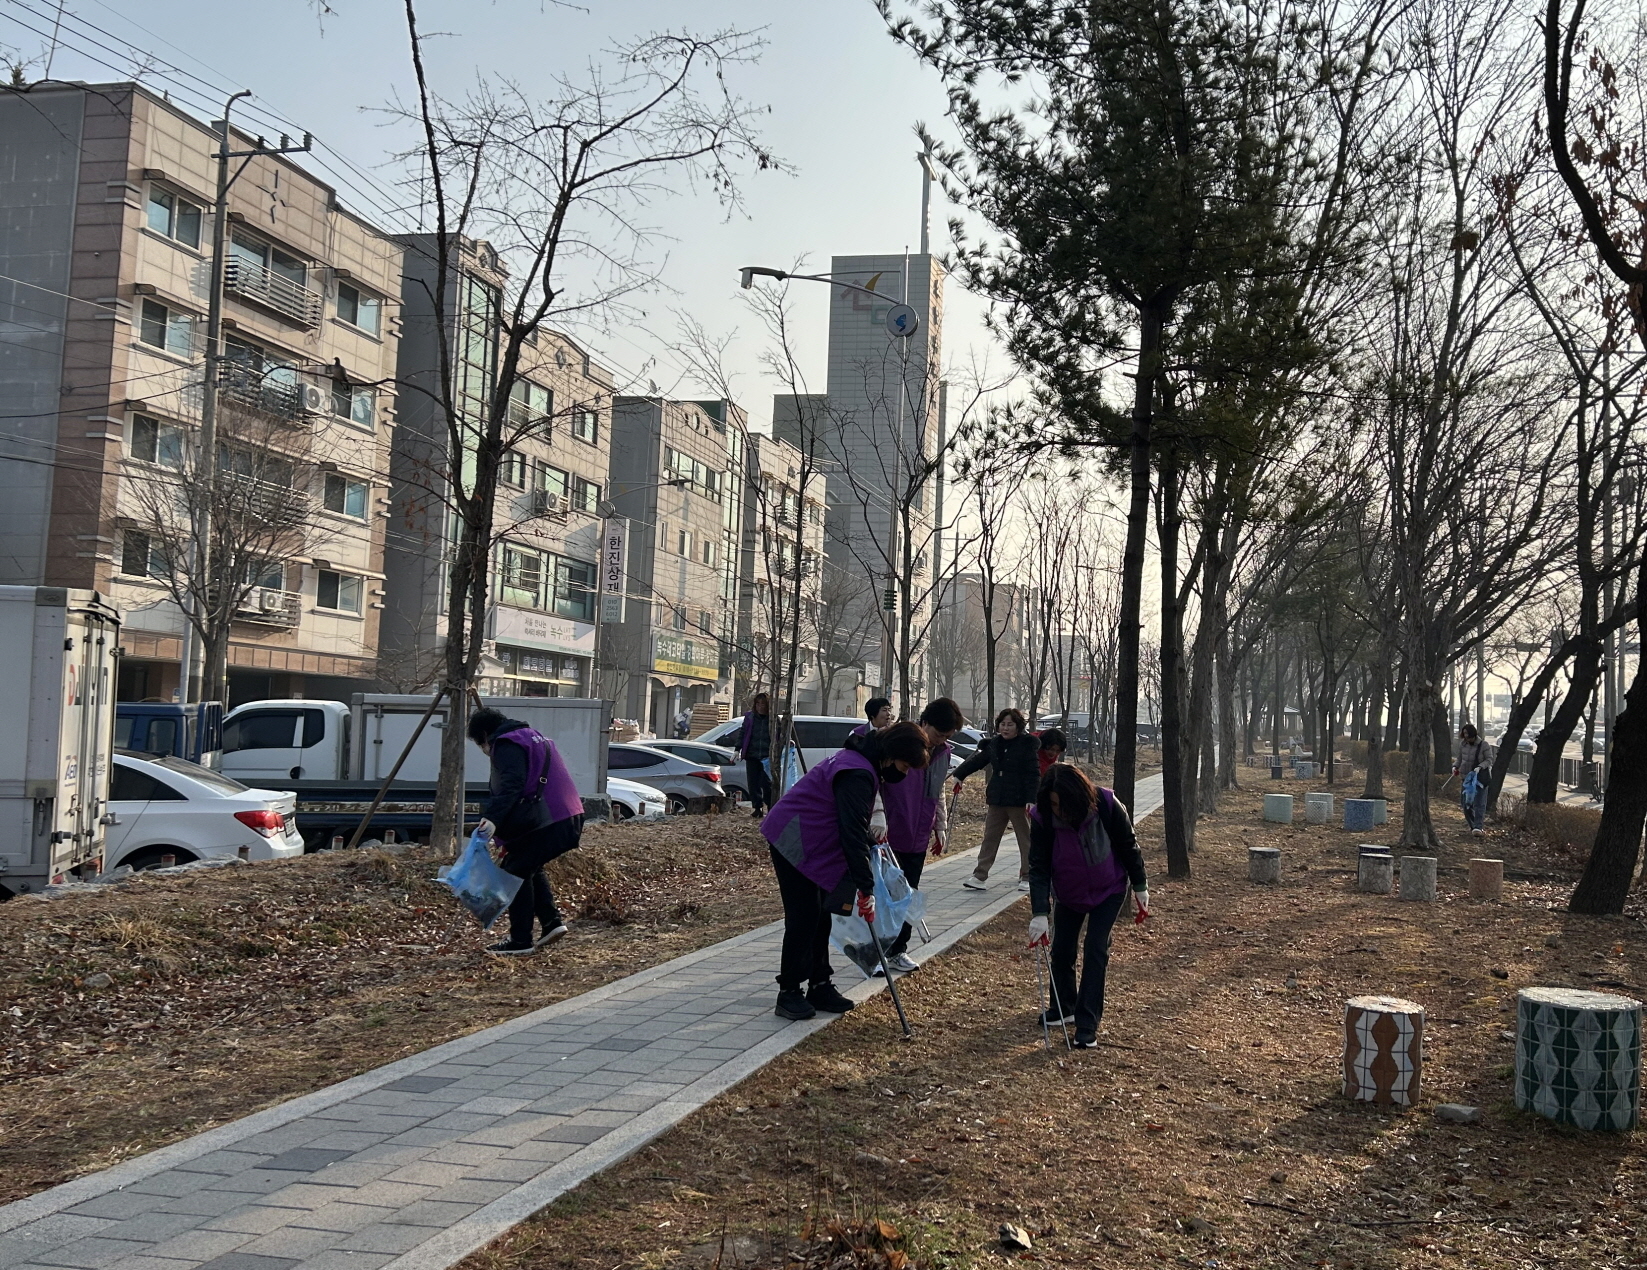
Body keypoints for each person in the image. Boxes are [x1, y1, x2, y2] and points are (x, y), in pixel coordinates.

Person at [762, 721, 932, 1020]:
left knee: (821, 916)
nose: (903, 774)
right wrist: (865, 889)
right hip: (794, 839)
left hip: (814, 840)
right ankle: (789, 992)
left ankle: (820, 984)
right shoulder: (857, 771)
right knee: (804, 918)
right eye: (905, 766)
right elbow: (850, 831)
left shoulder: (863, 763)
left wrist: (869, 844)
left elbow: (850, 822)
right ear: (892, 755)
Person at [841, 698, 965, 978]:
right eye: (939, 734)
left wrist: (940, 826)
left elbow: (938, 790)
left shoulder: (942, 752)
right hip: (889, 831)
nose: (941, 741)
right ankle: (872, 951)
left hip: (918, 832)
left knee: (908, 893)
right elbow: (874, 778)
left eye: (947, 737)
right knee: (883, 896)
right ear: (925, 723)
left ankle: (897, 950)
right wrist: (878, 814)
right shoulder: (900, 741)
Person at [1027, 764, 1148, 1047]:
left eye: (1063, 804)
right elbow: (1039, 866)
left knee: (1095, 948)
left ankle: (1087, 1023)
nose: (1059, 810)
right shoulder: (1043, 817)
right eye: (1054, 803)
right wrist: (1039, 912)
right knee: (1062, 949)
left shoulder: (1105, 804)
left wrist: (1140, 886)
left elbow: (1128, 844)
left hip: (1109, 890)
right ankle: (1064, 1007)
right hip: (1069, 892)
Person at [467, 707, 585, 956]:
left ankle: (520, 941)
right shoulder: (533, 737)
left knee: (515, 870)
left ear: (486, 735)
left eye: (481, 744)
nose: (485, 750)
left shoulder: (506, 743)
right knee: (526, 863)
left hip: (549, 819)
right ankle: (551, 923)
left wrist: (492, 819)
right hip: (567, 815)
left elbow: (512, 784)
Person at [951, 707, 1041, 891]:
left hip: (1019, 799)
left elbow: (1033, 774)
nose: (1006, 728)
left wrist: (1031, 798)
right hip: (997, 797)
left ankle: (1027, 875)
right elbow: (978, 761)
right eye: (1003, 724)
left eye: (1010, 725)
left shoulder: (1026, 745)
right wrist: (959, 774)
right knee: (990, 838)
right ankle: (979, 875)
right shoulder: (994, 744)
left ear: (1018, 727)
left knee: (1025, 839)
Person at [734, 693, 774, 816]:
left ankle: (771, 808)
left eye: (763, 704)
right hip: (752, 755)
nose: (760, 707)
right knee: (753, 784)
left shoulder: (772, 719)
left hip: (767, 757)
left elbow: (779, 735)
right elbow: (743, 733)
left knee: (767, 784)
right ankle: (757, 808)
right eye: (758, 704)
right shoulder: (750, 718)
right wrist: (737, 749)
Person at [1455, 723, 1494, 835]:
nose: (1467, 739)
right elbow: (1460, 759)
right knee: (1465, 804)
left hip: (1480, 779)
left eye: (1469, 736)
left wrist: (1480, 767)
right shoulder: (1463, 745)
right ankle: (1472, 825)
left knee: (1479, 804)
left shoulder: (1484, 745)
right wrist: (1455, 767)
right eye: (1465, 736)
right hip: (1466, 779)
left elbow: (1489, 759)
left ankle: (1478, 827)